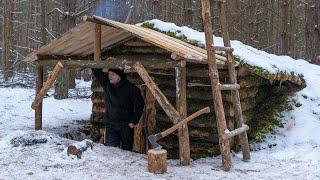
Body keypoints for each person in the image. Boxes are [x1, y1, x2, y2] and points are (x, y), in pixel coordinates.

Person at [92, 68, 145, 151]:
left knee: (126, 151)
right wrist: (94, 61)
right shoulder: (107, 85)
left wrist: (133, 121)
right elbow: (97, 72)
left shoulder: (131, 89)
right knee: (110, 150)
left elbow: (140, 106)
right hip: (111, 124)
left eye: (113, 74)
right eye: (109, 74)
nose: (110, 76)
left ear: (119, 76)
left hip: (125, 125)